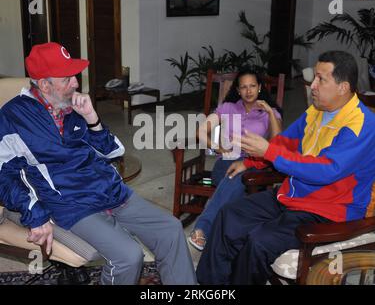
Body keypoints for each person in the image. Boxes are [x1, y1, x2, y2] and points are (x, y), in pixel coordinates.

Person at [1, 42, 197, 285]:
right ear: (44, 84)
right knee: (128, 256)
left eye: (75, 76)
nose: (76, 83)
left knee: (171, 229)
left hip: (111, 191)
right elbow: (4, 174)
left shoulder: (72, 106)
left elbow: (114, 152)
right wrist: (34, 214)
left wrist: (92, 119)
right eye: (67, 79)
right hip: (73, 203)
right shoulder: (13, 117)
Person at [196, 50, 375, 284]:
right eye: (314, 78)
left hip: (328, 212)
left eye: (322, 79)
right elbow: (285, 142)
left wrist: (268, 151)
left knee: (259, 241)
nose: (313, 86)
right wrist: (251, 161)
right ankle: (210, 284)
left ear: (343, 87)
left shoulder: (362, 125)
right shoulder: (316, 112)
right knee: (230, 215)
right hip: (292, 195)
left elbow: (326, 170)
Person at [188, 69, 282, 251]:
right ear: (238, 90)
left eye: (253, 86)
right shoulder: (228, 108)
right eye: (244, 87)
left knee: (237, 179)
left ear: (260, 88)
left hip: (256, 164)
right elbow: (200, 131)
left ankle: (202, 228)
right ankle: (227, 234)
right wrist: (219, 148)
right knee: (234, 179)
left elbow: (277, 142)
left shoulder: (269, 112)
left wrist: (270, 112)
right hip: (226, 162)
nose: (249, 91)